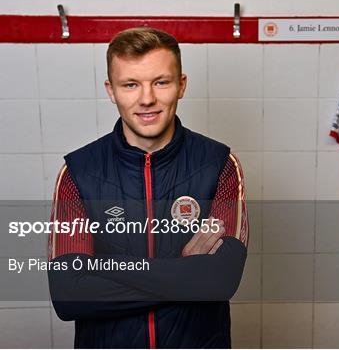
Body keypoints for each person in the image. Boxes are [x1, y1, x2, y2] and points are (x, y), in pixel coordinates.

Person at [47, 27, 249, 348]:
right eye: (130, 85)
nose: (146, 99)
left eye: (161, 82)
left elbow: (219, 280)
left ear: (181, 85)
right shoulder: (77, 173)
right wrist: (186, 274)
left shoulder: (220, 165)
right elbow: (70, 295)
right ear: (111, 90)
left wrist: (104, 272)